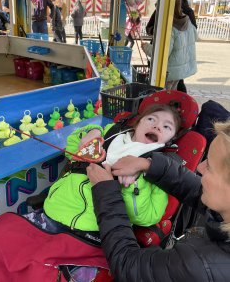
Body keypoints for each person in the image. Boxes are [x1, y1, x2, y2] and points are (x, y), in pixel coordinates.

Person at [87, 120, 230, 281]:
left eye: (210, 167)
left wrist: (105, 190)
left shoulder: (201, 266)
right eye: (150, 119)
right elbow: (197, 189)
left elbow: (127, 266)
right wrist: (148, 164)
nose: (199, 168)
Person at [24, 104, 181, 233]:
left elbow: (148, 217)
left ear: (171, 139)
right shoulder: (112, 132)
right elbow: (72, 146)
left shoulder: (159, 167)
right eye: (151, 119)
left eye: (167, 127)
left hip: (90, 230)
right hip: (53, 208)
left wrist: (132, 188)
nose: (157, 126)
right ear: (138, 122)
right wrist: (92, 131)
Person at [141, 0, 197, 90]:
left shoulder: (169, 28)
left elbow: (162, 54)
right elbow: (195, 37)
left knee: (165, 96)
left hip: (169, 71)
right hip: (180, 69)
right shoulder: (187, 20)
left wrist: (146, 47)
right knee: (172, 94)